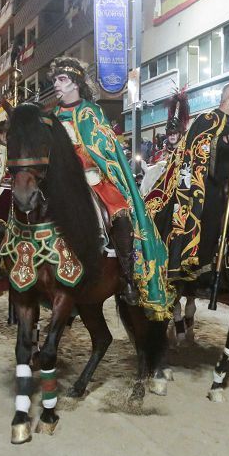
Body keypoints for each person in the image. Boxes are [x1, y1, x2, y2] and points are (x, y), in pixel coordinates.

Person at [48, 57, 169, 315]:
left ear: (75, 83)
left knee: (120, 214)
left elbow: (103, 149)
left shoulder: (91, 112)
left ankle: (127, 278)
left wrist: (75, 156)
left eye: (62, 79)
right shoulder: (53, 116)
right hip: (61, 182)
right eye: (55, 80)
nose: (56, 84)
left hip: (92, 178)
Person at [146, 80, 229, 288]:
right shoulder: (208, 119)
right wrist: (225, 141)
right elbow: (199, 147)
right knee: (211, 207)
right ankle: (198, 265)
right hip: (206, 184)